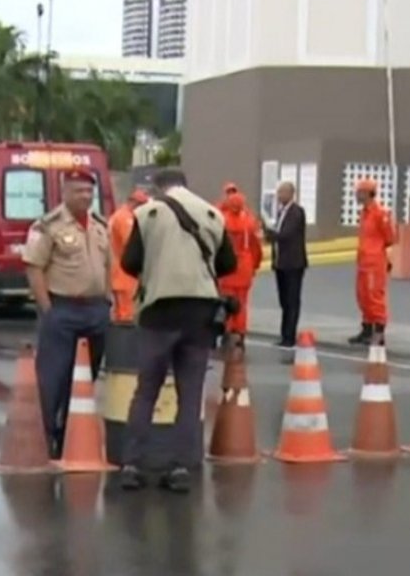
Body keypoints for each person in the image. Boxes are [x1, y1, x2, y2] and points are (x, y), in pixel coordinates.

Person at [118, 168, 237, 493]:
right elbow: (229, 263)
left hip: (159, 310)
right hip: (199, 313)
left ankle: (132, 464)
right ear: (186, 185)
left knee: (147, 389)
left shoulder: (147, 213)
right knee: (190, 392)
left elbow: (129, 262)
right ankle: (182, 466)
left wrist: (158, 265)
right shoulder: (212, 213)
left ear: (158, 187)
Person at [22, 167, 111, 459]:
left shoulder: (99, 226)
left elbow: (109, 266)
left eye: (89, 191)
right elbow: (34, 267)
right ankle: (48, 438)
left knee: (87, 378)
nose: (85, 196)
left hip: (96, 310)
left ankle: (73, 434)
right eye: (78, 191)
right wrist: (47, 308)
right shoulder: (49, 227)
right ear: (64, 192)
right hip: (63, 309)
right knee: (54, 378)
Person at [351, 179, 396, 346]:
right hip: (363, 261)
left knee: (374, 296)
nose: (356, 195)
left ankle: (379, 332)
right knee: (362, 296)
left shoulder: (380, 214)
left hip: (374, 262)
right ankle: (367, 329)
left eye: (359, 192)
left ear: (367, 193)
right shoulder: (364, 213)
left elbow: (390, 237)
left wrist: (378, 252)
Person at [264, 181, 308, 350]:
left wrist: (270, 231)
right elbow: (277, 236)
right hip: (281, 263)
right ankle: (284, 335)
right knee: (283, 300)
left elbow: (286, 234)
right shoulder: (281, 212)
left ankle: (289, 337)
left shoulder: (297, 212)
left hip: (293, 263)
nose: (279, 196)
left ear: (291, 193)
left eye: (282, 192)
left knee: (292, 300)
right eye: (278, 193)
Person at [217, 191, 262, 344]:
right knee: (242, 303)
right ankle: (240, 331)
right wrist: (254, 265)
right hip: (244, 267)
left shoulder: (221, 221)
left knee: (226, 300)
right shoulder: (250, 222)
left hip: (227, 267)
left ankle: (228, 329)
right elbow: (256, 248)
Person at [108, 188, 149, 323]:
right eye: (141, 204)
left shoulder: (121, 216)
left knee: (123, 314)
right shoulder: (125, 218)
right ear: (133, 202)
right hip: (125, 275)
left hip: (122, 275)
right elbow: (130, 243)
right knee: (127, 316)